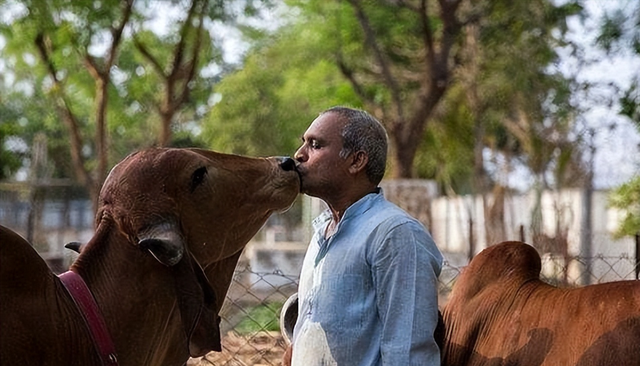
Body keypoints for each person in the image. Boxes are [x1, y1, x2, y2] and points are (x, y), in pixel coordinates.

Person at [286, 106, 443, 366]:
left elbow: (407, 354)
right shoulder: (322, 232)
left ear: (356, 161)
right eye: (304, 143)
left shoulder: (394, 233)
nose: (299, 155)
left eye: (315, 145)